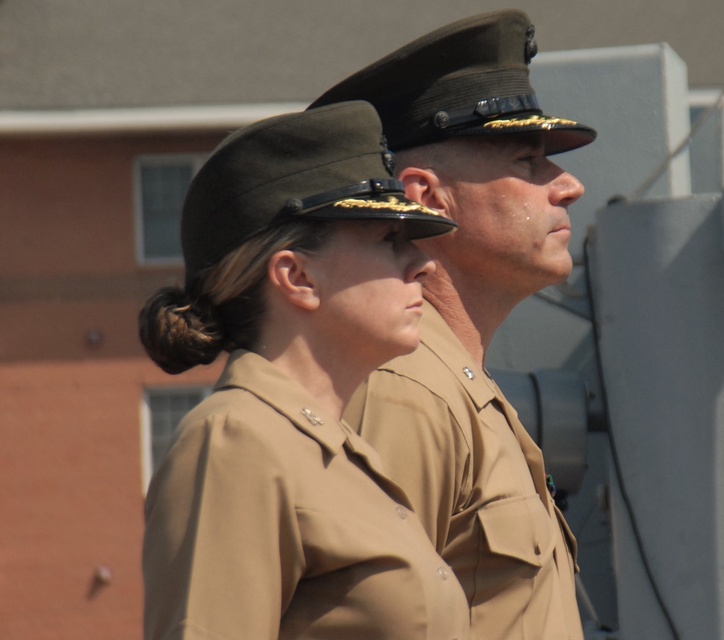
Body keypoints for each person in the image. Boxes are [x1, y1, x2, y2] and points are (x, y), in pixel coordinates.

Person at [307, 10, 596, 640]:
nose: (568, 185)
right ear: (426, 198)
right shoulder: (403, 392)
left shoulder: (459, 388)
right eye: (527, 161)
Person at [138, 101, 470, 640]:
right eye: (389, 240)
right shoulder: (234, 441)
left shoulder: (338, 451)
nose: (423, 263)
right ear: (296, 276)